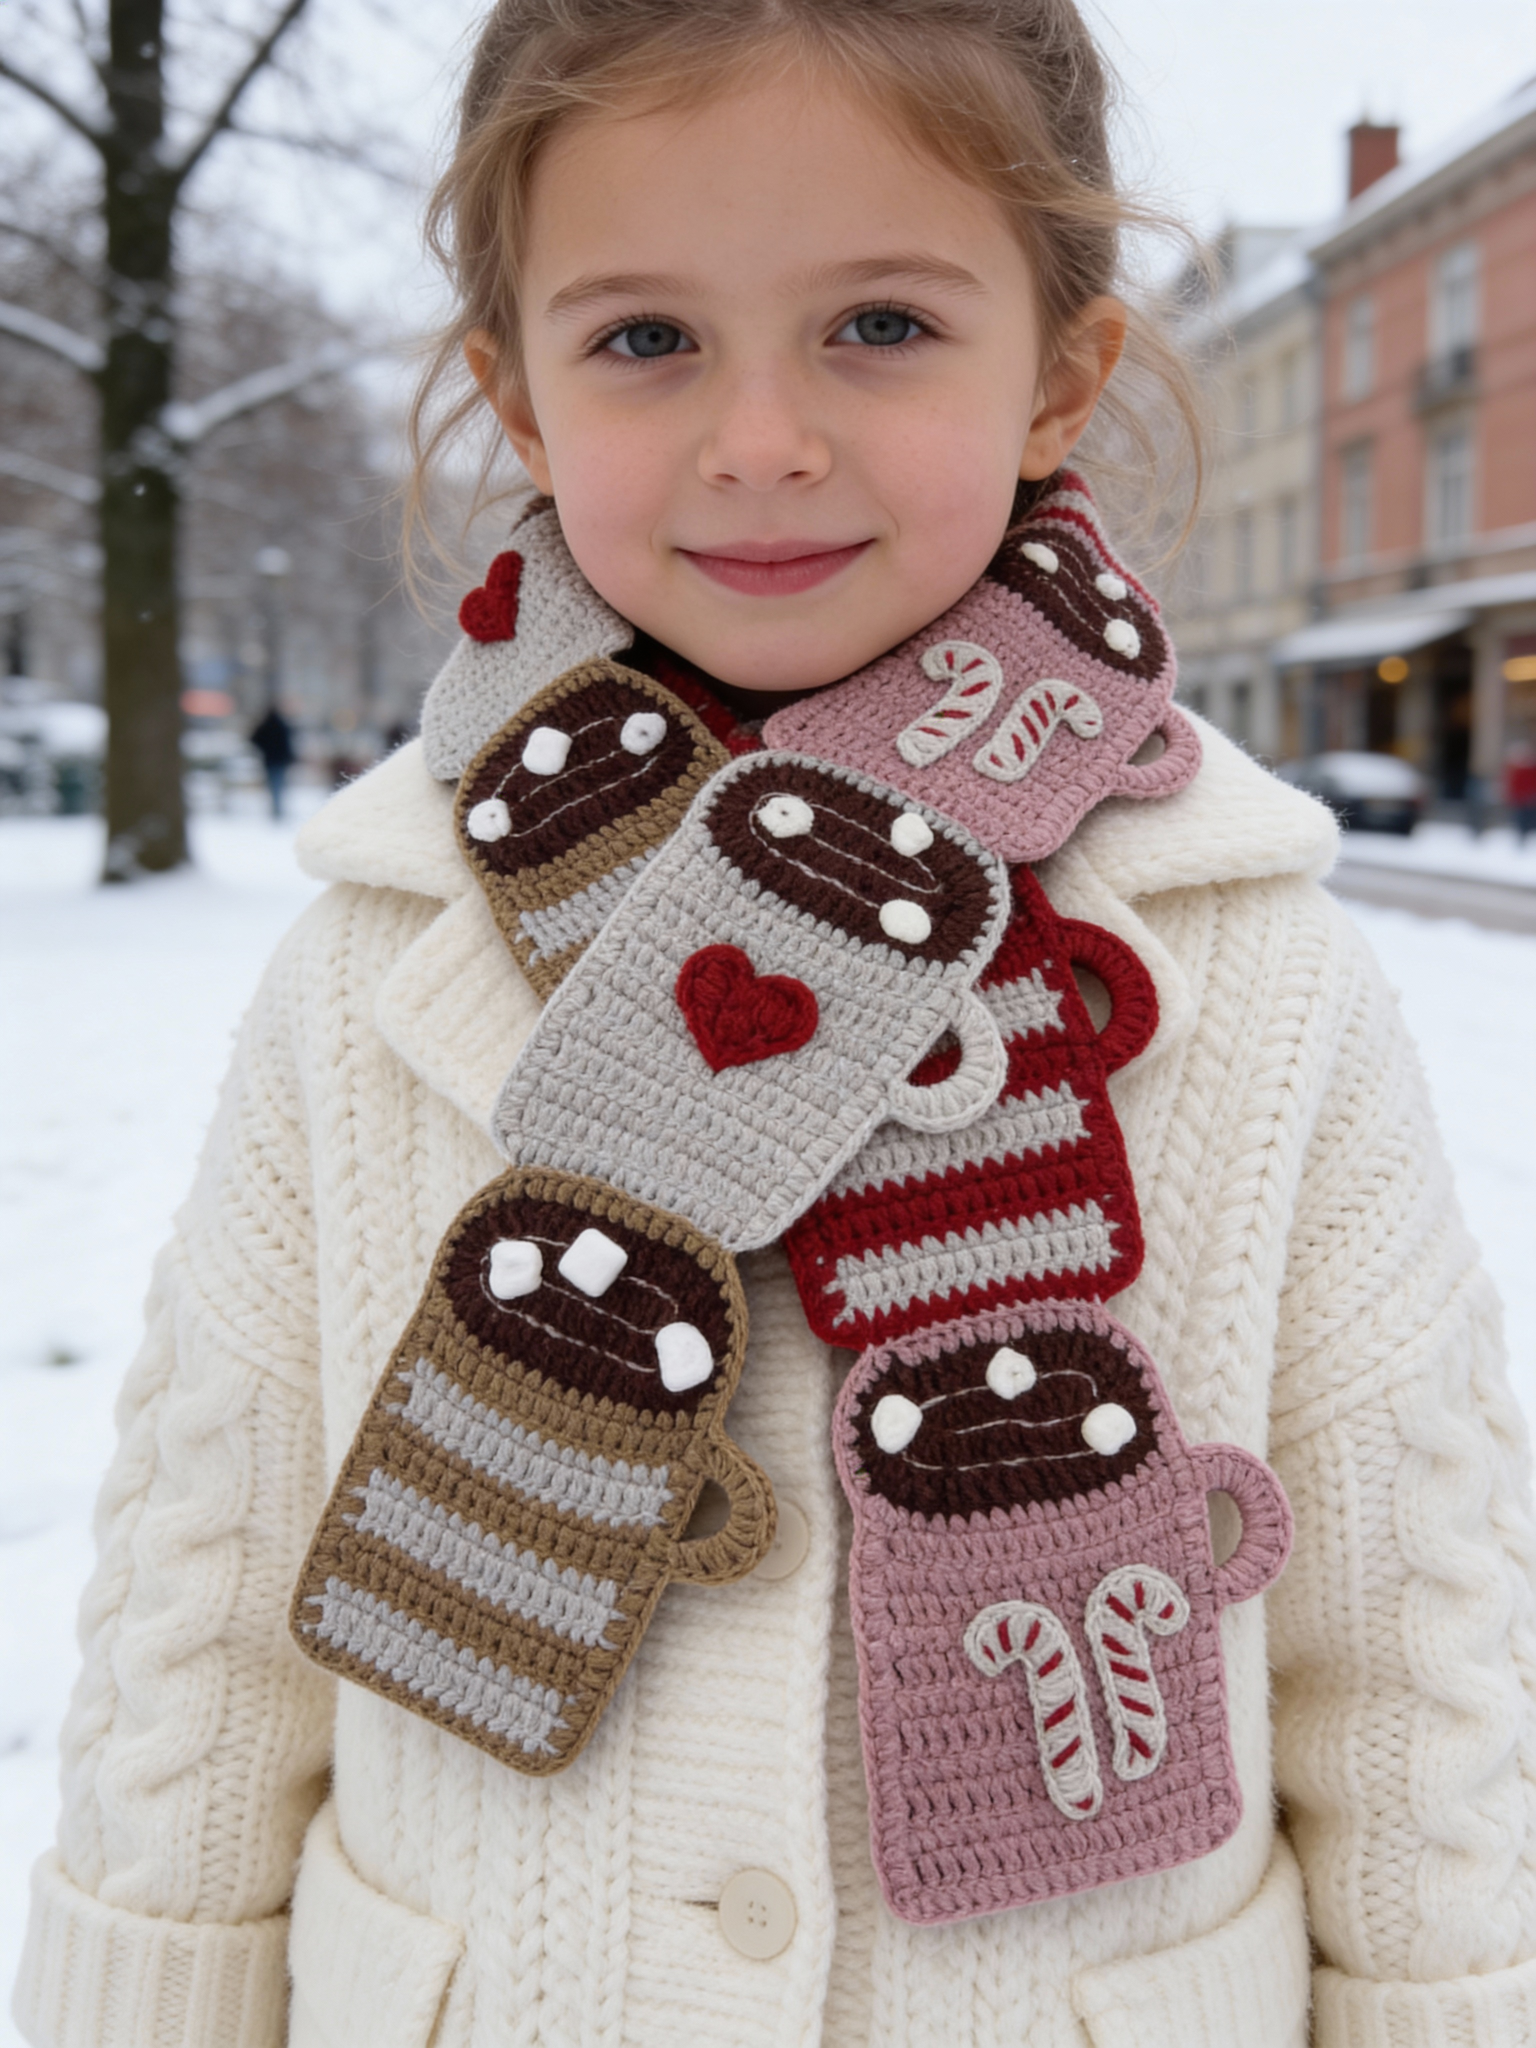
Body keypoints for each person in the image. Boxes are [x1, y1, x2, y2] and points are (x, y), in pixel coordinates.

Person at [14, 5, 1536, 2044]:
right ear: (522, 401)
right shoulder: (387, 946)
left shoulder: (1248, 958)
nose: (759, 439)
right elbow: (213, 1584)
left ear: (1062, 371)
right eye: (646, 339)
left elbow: (1411, 1623)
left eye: (880, 327)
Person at [249, 702, 297, 819]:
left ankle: (276, 809)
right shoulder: (281, 725)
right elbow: (288, 744)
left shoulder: (265, 725)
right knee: (279, 785)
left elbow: (254, 739)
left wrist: (265, 749)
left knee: (274, 785)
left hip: (270, 761)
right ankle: (277, 809)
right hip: (279, 760)